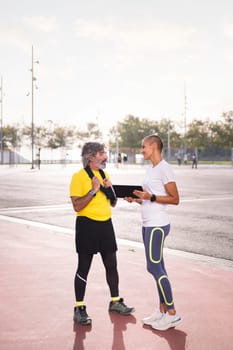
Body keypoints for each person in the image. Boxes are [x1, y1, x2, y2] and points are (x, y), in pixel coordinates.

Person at [70, 141, 134, 326]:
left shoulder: (104, 174)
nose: (105, 156)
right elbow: (77, 206)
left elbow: (112, 203)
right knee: (84, 268)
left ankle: (115, 301)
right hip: (87, 226)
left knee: (112, 265)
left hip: (106, 225)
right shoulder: (79, 177)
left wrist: (110, 189)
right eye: (101, 153)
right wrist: (93, 190)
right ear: (91, 158)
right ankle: (79, 308)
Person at [124, 134, 182, 331]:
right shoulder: (151, 170)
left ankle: (172, 313)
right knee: (158, 267)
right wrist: (139, 199)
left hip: (158, 224)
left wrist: (151, 196)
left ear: (153, 147)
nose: (141, 151)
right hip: (147, 223)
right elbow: (149, 197)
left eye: (143, 147)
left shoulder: (164, 169)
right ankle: (162, 310)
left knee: (154, 268)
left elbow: (175, 199)